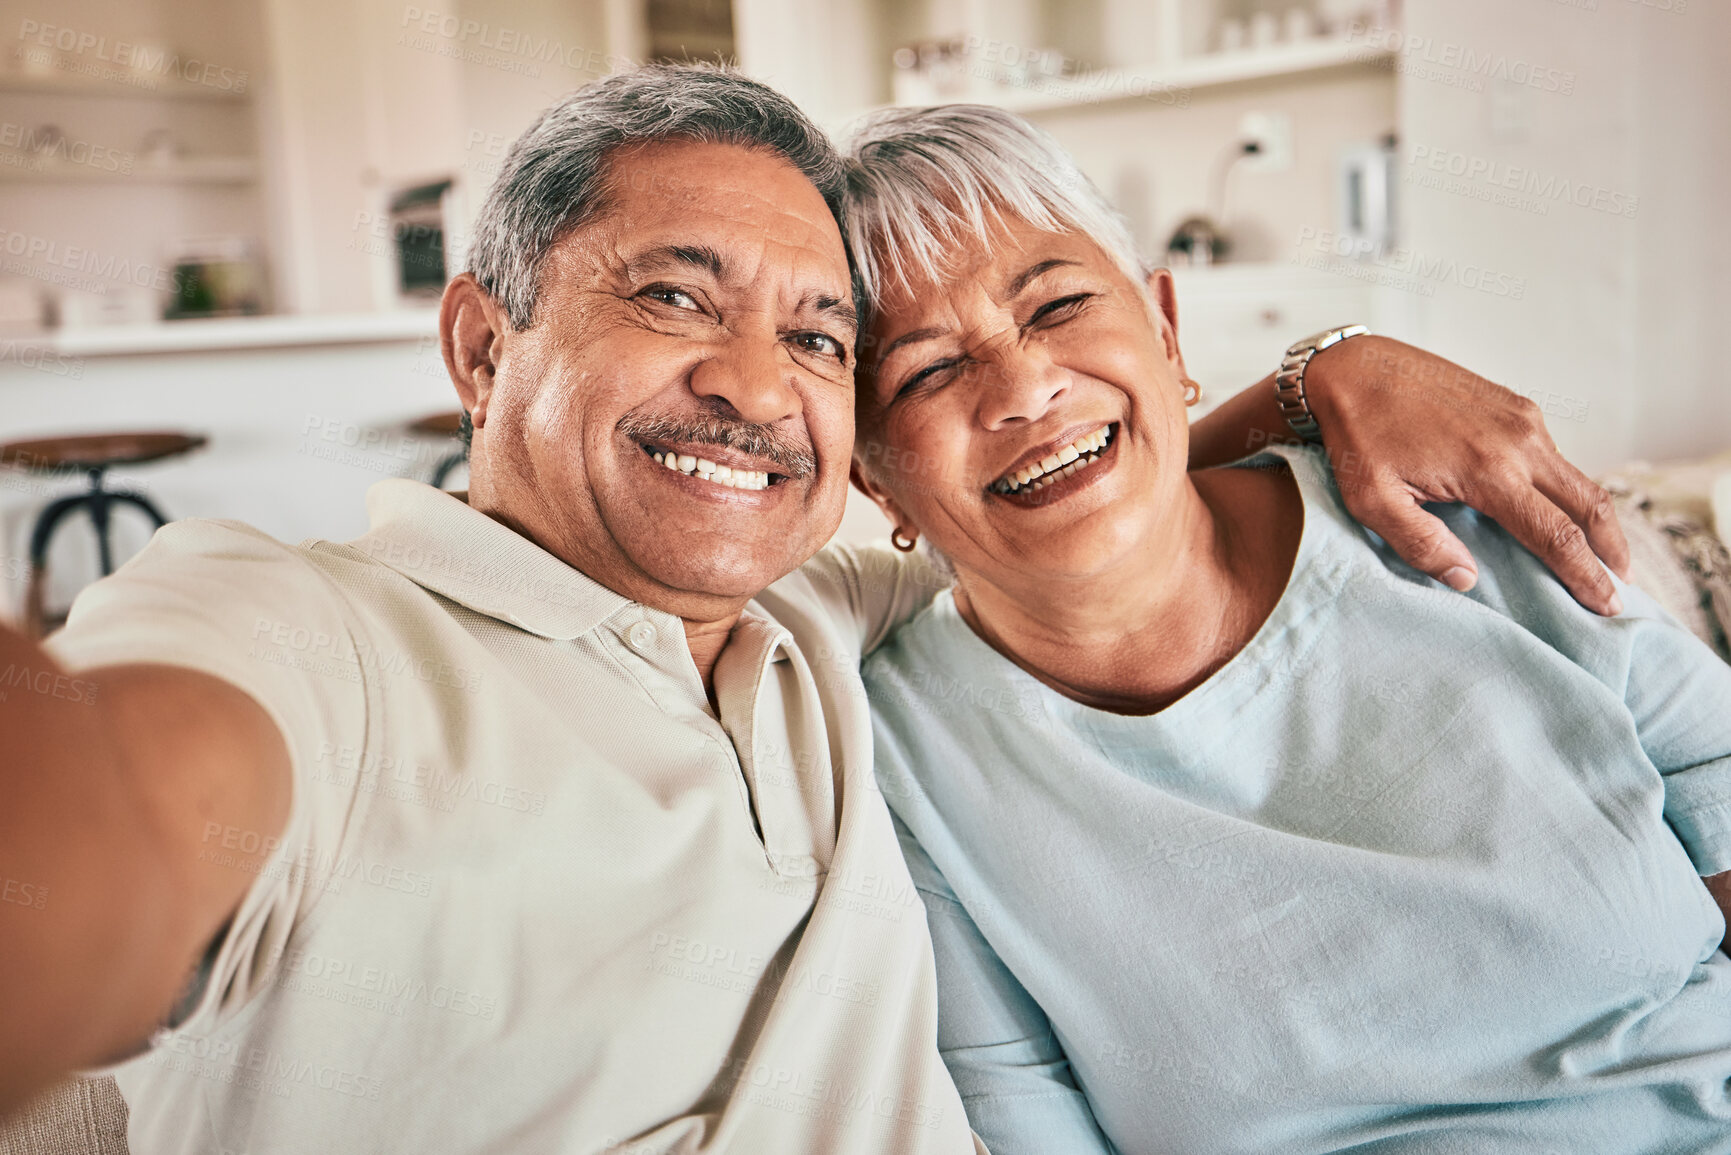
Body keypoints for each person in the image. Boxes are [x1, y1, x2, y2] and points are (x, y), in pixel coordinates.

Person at [0, 66, 1626, 1153]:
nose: (754, 388)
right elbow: (135, 820)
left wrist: (1322, 374)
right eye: (673, 298)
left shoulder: (829, 617)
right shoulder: (308, 633)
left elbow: (1060, 477)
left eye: (822, 341)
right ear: (482, 352)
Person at [844, 103, 1731, 1155]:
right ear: (874, 479)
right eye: (926, 371)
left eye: (1059, 306)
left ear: (1166, 328)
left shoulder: (1440, 517)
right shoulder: (897, 756)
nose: (1025, 387)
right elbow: (1021, 1112)